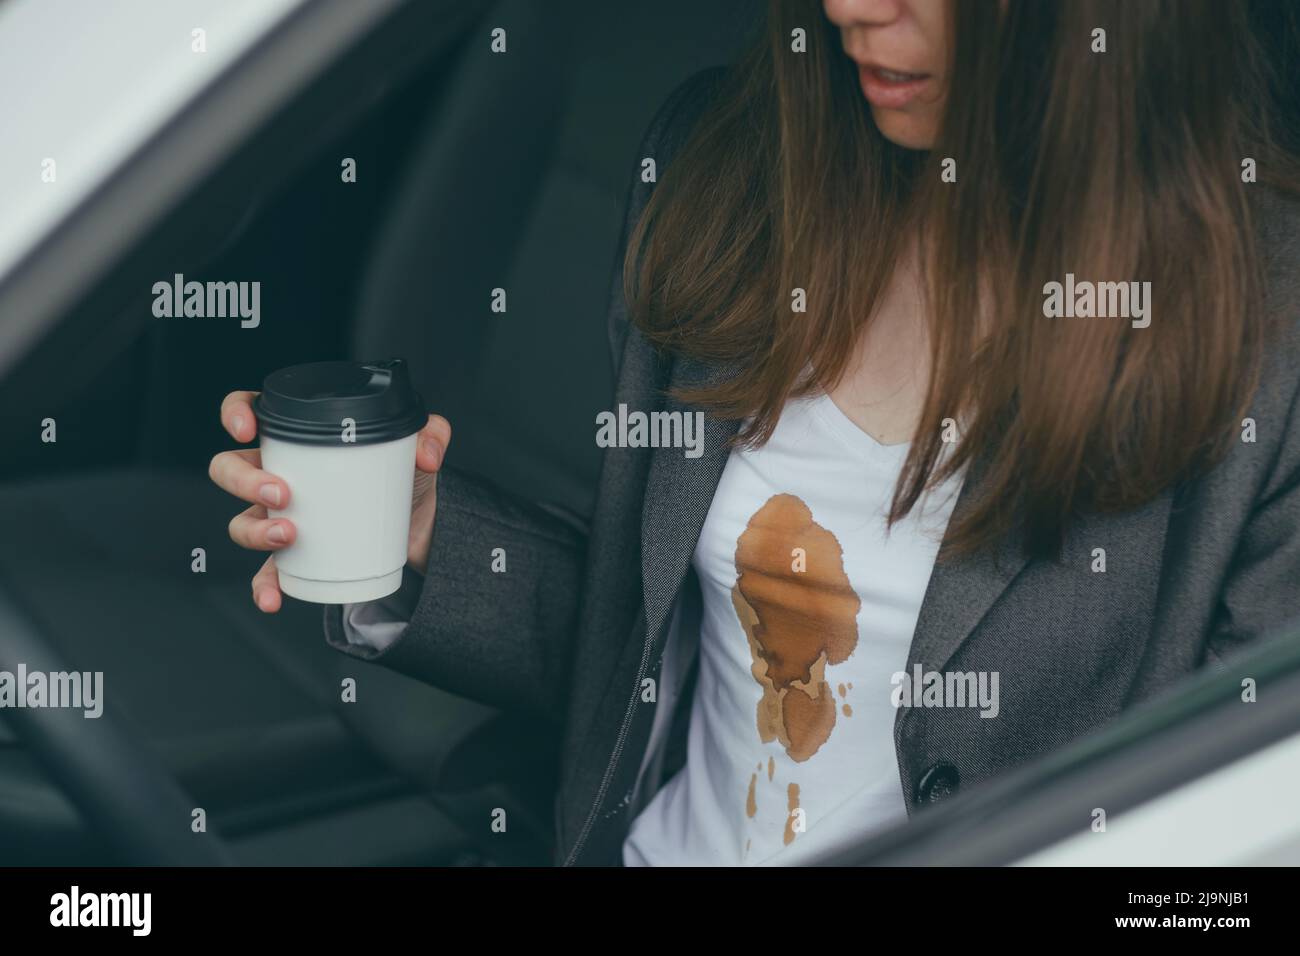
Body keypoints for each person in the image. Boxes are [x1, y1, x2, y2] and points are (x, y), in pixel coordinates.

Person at [208, 0, 1300, 866]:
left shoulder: (1261, 331)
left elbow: (1231, 842)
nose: (851, 8)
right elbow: (633, 649)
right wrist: (427, 537)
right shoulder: (719, 174)